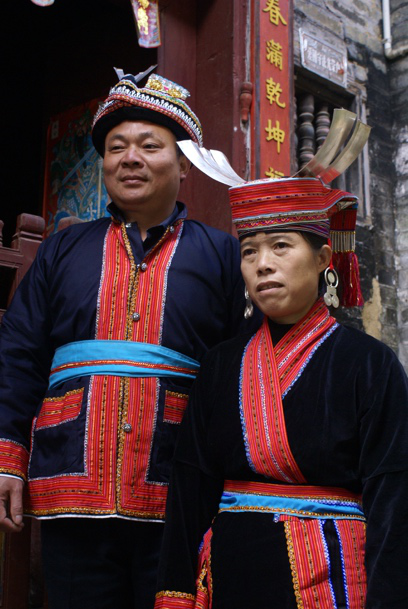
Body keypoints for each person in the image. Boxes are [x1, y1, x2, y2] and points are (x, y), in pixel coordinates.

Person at [0, 68, 260, 609]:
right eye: (116, 147)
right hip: (71, 484)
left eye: (149, 145)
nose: (130, 158)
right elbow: (19, 354)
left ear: (183, 164)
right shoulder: (61, 250)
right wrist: (7, 457)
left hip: (180, 487)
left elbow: (243, 370)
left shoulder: (222, 256)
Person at [154, 174, 408, 609]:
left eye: (281, 246)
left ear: (323, 258)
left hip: (330, 578)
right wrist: (176, 592)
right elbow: (189, 489)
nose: (263, 264)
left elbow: (394, 497)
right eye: (249, 251)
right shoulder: (219, 365)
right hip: (230, 576)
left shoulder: (370, 363)